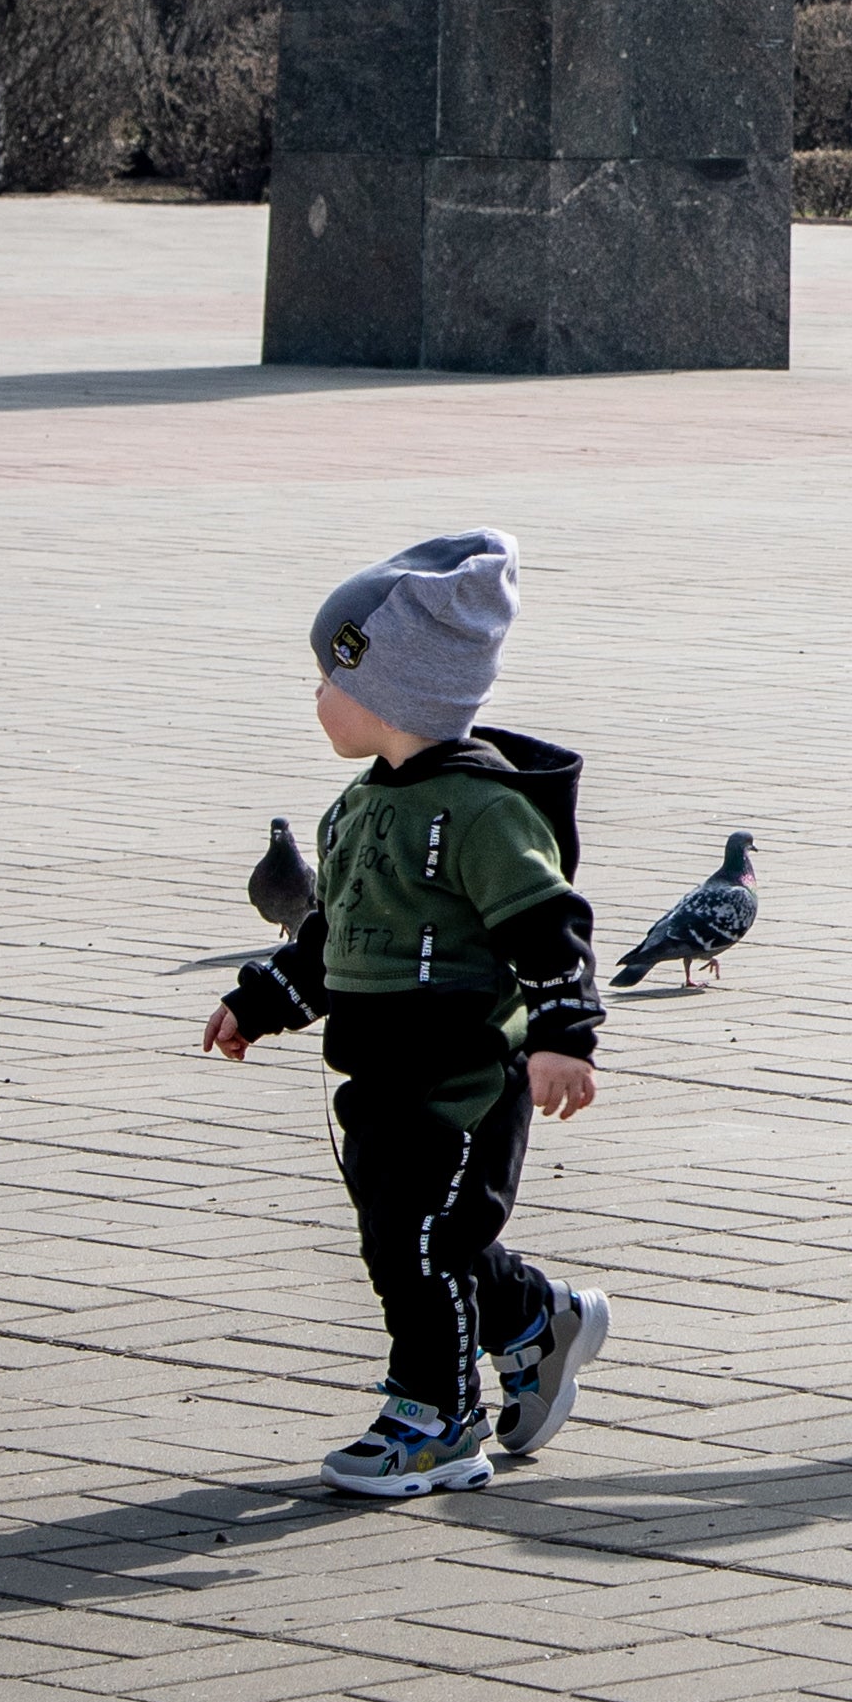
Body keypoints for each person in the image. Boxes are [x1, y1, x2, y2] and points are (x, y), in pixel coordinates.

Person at [204, 527, 616, 1498]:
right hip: (377, 1076)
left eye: (326, 673)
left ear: (393, 686)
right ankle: (533, 1317)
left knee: (421, 1246)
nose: (314, 694)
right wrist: (262, 999)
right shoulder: (355, 808)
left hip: (465, 1078)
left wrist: (563, 1038)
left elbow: (548, 923)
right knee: (412, 1236)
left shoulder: (480, 810)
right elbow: (332, 936)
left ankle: (436, 1420)